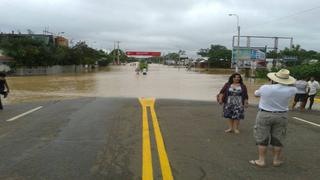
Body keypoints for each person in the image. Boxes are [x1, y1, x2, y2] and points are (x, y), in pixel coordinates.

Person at [250, 69, 297, 167]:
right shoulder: (292, 90)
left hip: (264, 114)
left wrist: (269, 84)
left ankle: (261, 160)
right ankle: (276, 160)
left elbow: (256, 94)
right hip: (281, 115)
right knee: (278, 138)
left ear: (273, 78)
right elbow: (292, 87)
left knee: (262, 137)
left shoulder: (265, 87)